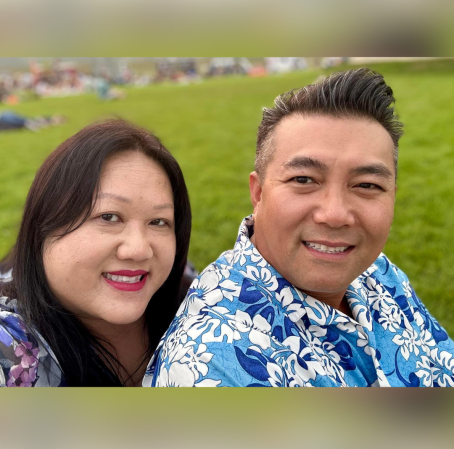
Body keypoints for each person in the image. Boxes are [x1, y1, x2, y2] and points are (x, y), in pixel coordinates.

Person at [146, 68, 454, 387]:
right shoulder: (213, 365)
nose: (335, 215)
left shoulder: (379, 272)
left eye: (366, 184)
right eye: (303, 180)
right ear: (259, 192)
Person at [0, 120, 191, 386]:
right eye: (109, 217)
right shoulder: (9, 343)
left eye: (158, 222)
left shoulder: (201, 304)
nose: (138, 250)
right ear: (43, 226)